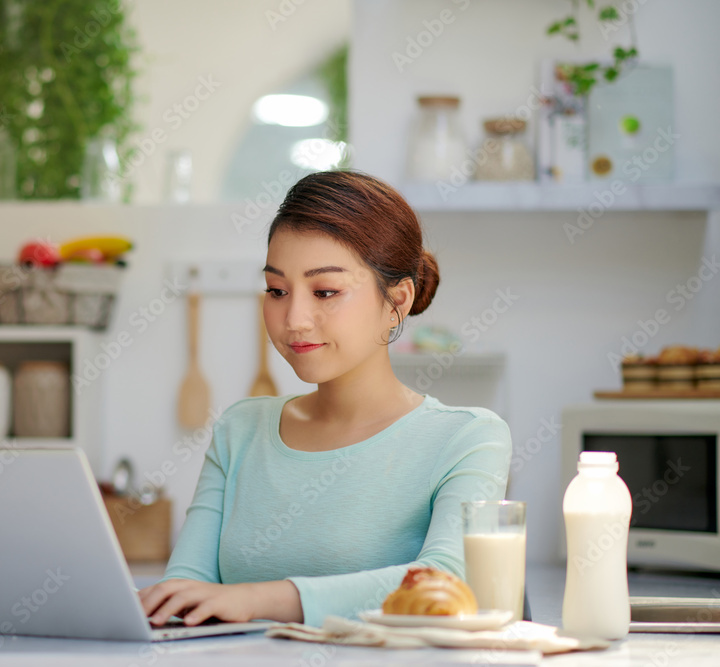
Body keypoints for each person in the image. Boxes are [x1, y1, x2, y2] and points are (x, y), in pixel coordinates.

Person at [139, 170, 512, 628]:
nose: (294, 318)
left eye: (326, 292)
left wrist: (258, 599)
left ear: (396, 301)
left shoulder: (468, 437)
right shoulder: (241, 430)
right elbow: (188, 590)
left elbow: (447, 580)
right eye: (277, 291)